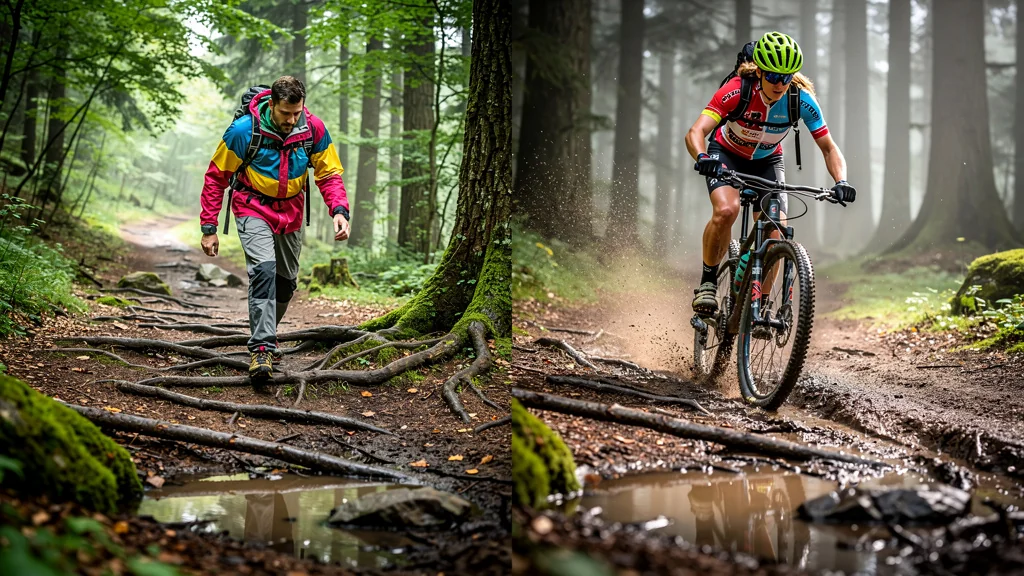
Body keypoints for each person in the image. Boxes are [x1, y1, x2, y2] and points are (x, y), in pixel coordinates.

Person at [685, 31, 857, 328]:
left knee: (776, 230)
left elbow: (829, 147)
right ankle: (708, 283)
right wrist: (702, 157)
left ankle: (761, 307)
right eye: (774, 76)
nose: (780, 84)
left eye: (786, 77)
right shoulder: (736, 90)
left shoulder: (801, 100)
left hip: (767, 162)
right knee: (727, 210)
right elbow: (696, 132)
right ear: (760, 71)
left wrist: (841, 181)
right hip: (726, 154)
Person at [199, 75, 350, 384]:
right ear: (272, 104)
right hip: (252, 205)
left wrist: (339, 209)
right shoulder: (243, 131)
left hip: (291, 212)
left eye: (297, 113)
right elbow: (216, 177)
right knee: (263, 271)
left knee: (285, 284)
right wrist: (209, 226)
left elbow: (329, 173)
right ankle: (262, 348)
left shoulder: (313, 129)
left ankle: (267, 333)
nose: (291, 120)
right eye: (285, 113)